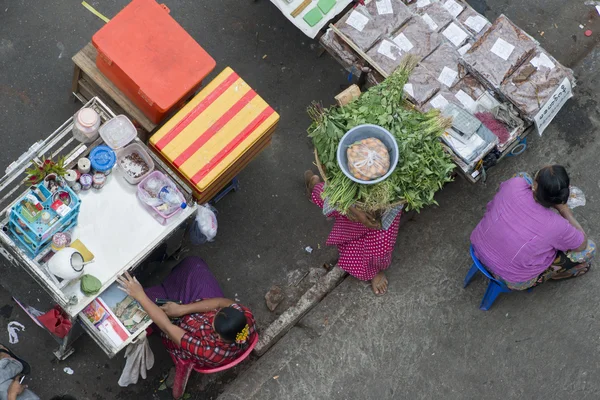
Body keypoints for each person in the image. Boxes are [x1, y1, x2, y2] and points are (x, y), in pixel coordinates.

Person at [471, 166, 595, 290]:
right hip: (509, 278)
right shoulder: (558, 226)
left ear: (535, 185)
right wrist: (564, 211)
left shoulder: (515, 184)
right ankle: (555, 274)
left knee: (522, 175)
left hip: (478, 246)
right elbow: (582, 245)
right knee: (589, 249)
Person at [117, 257, 256, 367]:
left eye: (214, 319)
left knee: (139, 301)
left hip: (179, 330)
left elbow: (167, 327)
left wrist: (140, 295)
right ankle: (170, 287)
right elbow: (219, 303)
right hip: (192, 311)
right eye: (217, 313)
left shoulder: (206, 351)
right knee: (193, 265)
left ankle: (154, 302)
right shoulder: (245, 316)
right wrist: (183, 309)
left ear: (217, 336)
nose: (214, 313)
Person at [305, 170, 402, 295]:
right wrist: (355, 210)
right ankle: (315, 190)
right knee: (333, 199)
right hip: (351, 195)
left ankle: (373, 270)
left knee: (380, 243)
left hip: (387, 202)